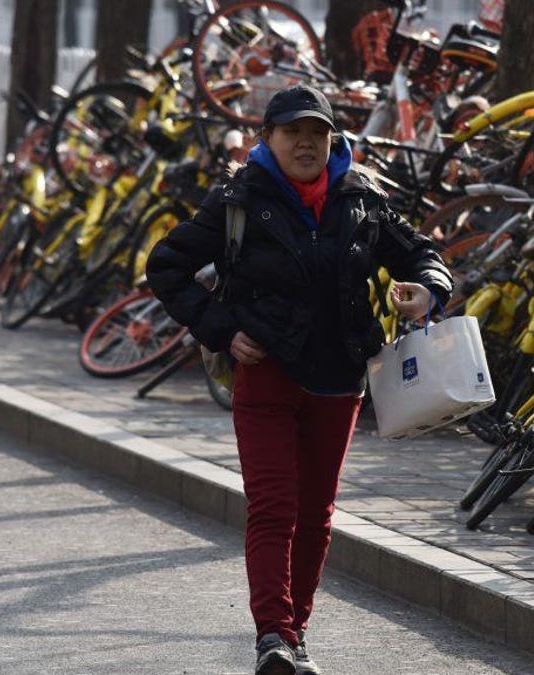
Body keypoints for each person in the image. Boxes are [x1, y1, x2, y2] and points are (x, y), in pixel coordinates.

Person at [146, 84, 452, 675]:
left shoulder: (361, 198)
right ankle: (273, 636)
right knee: (273, 506)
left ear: (334, 139)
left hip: (339, 376)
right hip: (266, 375)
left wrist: (429, 289)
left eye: (318, 132)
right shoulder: (238, 199)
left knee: (315, 512)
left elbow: (421, 253)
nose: (306, 143)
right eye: (293, 133)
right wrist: (220, 328)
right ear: (268, 139)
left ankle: (295, 634)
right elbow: (168, 266)